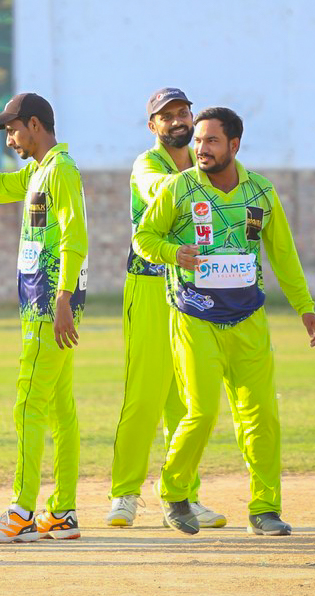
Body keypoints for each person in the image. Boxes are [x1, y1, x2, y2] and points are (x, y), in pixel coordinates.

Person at [133, 107, 315, 537]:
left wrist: (305, 307)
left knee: (262, 416)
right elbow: (144, 237)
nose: (201, 148)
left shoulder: (261, 192)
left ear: (234, 145)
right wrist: (172, 253)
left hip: (248, 318)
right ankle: (175, 494)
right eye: (198, 140)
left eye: (211, 141)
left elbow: (284, 255)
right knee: (201, 413)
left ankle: (265, 509)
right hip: (194, 316)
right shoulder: (179, 188)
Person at [0, 93, 88, 544]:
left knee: (28, 404)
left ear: (34, 125)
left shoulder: (61, 170)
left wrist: (63, 299)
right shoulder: (40, 170)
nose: (10, 139)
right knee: (59, 408)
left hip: (49, 304)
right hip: (46, 302)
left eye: (13, 130)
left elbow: (75, 237)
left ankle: (21, 512)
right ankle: (63, 512)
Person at [107, 88, 223, 528]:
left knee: (187, 399)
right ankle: (124, 494)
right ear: (153, 125)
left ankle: (183, 495)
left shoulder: (203, 163)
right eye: (167, 116)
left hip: (192, 290)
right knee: (145, 394)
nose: (178, 121)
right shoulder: (148, 164)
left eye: (183, 113)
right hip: (150, 284)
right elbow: (160, 190)